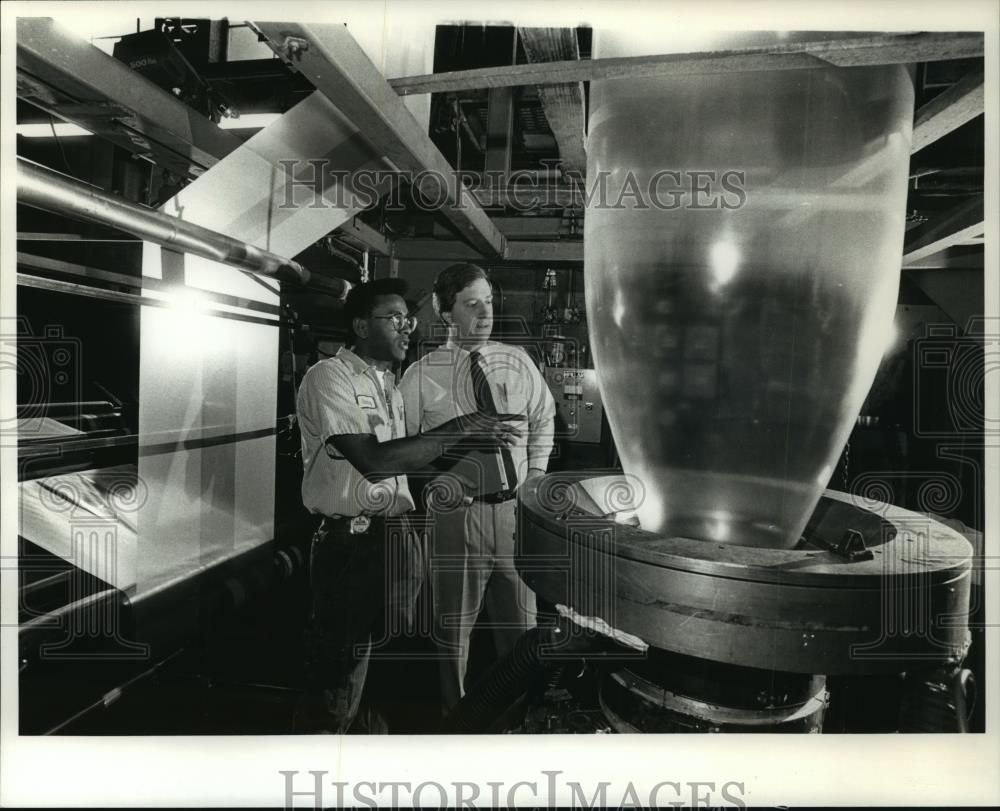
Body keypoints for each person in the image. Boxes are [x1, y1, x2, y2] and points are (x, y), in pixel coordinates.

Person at [294, 277, 521, 733]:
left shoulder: (389, 386)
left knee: (383, 670)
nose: (407, 328)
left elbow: (406, 462)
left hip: (393, 538)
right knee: (340, 675)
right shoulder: (329, 377)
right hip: (350, 546)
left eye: (409, 319)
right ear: (360, 325)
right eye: (394, 318)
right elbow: (375, 462)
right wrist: (461, 426)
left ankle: (363, 767)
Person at [399, 263, 556, 711]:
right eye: (471, 304)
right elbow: (403, 451)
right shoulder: (421, 377)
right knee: (453, 633)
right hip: (455, 517)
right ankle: (455, 723)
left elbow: (543, 418)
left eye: (488, 302)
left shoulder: (517, 361)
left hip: (514, 517)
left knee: (523, 632)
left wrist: (536, 477)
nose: (484, 313)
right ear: (444, 311)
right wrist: (435, 484)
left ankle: (517, 719)